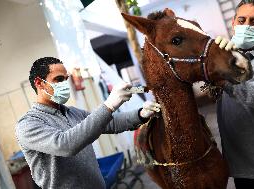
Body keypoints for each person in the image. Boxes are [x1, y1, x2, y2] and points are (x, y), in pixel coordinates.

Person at [15, 57, 161, 189]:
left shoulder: (72, 112)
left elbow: (111, 123)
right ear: (39, 83)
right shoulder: (28, 124)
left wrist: (141, 113)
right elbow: (66, 145)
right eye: (59, 79)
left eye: (66, 79)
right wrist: (109, 104)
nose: (64, 84)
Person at [215, 0, 254, 188]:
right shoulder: (224, 56)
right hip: (240, 167)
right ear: (233, 23)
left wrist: (225, 80)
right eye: (241, 20)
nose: (246, 26)